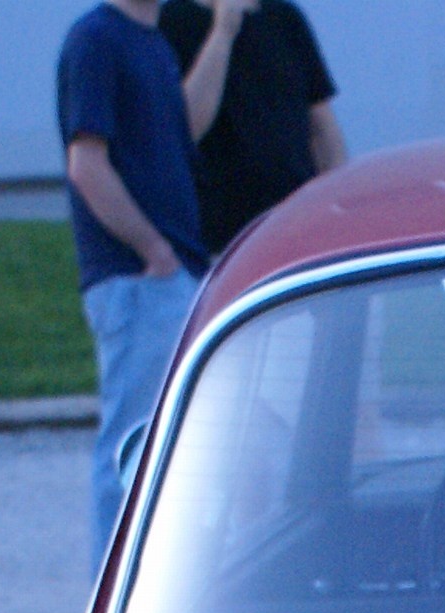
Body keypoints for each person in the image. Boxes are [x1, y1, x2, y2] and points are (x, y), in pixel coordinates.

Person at [59, 0, 209, 571]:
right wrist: (153, 249)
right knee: (132, 447)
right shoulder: (97, 40)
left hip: (173, 274)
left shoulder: (155, 43)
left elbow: (182, 133)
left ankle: (158, 582)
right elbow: (86, 164)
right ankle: (114, 597)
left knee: (171, 444)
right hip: (138, 280)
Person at [158, 0, 347, 251]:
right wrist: (222, 33)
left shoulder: (284, 17)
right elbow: (185, 129)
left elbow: (322, 126)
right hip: (220, 239)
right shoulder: (171, 22)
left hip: (296, 225)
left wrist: (337, 205)